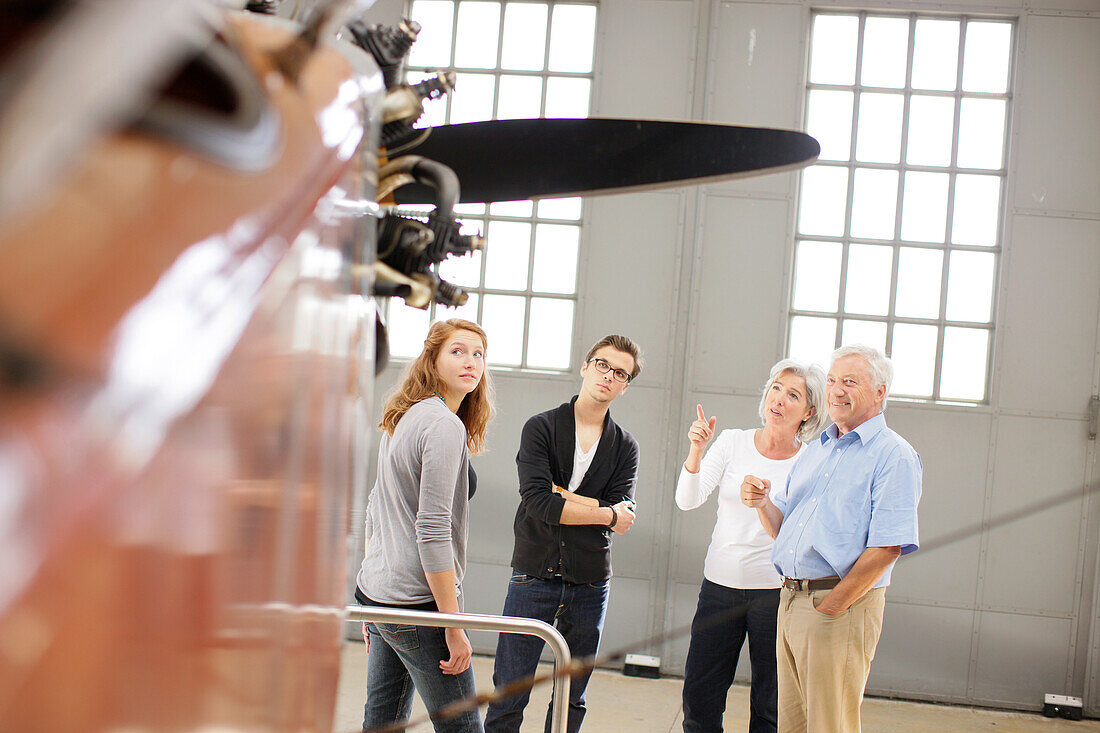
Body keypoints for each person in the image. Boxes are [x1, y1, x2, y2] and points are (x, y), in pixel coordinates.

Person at [741, 344, 921, 733]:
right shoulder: (818, 450)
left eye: (850, 382)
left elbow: (888, 546)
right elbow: (783, 528)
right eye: (833, 381)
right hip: (790, 599)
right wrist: (762, 503)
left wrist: (833, 606)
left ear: (879, 392)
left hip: (836, 605)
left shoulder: (893, 455)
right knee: (792, 724)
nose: (836, 390)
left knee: (829, 724)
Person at [484, 335, 643, 733]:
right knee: (509, 691)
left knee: (572, 697)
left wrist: (567, 497)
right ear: (586, 367)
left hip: (590, 584)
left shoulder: (625, 446)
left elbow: (621, 517)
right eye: (603, 365)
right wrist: (603, 512)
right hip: (533, 574)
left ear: (625, 386)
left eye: (620, 373)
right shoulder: (540, 427)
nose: (609, 376)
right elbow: (539, 503)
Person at [356, 319, 495, 733]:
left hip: (381, 594)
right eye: (457, 351)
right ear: (432, 360)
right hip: (418, 606)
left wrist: (371, 598)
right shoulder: (441, 425)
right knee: (463, 726)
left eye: (479, 354)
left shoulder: (403, 416)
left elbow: (374, 508)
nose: (471, 361)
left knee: (381, 720)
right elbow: (431, 529)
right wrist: (452, 627)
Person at [676, 360, 827, 733]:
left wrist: (764, 504)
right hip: (719, 589)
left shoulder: (811, 460)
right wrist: (696, 450)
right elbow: (687, 499)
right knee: (700, 700)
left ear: (808, 412)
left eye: (793, 395)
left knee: (770, 706)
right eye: (776, 388)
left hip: (775, 596)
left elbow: (798, 538)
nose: (779, 399)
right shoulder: (732, 441)